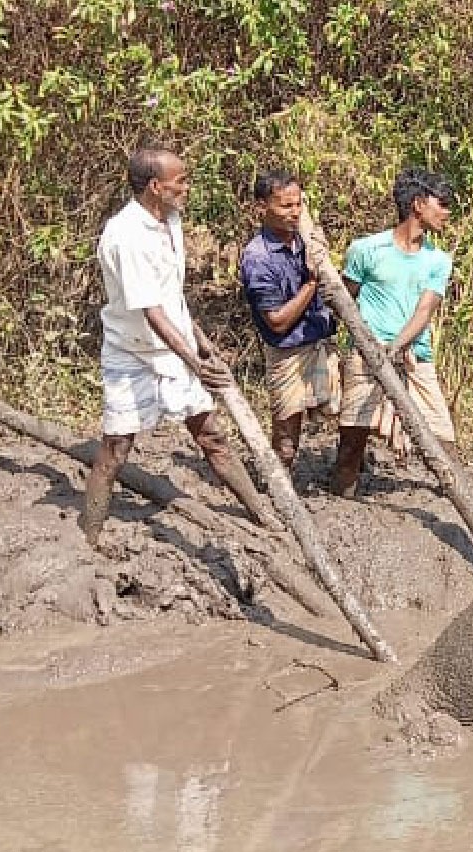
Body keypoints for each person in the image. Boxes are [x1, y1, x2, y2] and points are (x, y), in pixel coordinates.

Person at [81, 142, 270, 549]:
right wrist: (195, 362)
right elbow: (150, 310)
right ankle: (87, 536)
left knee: (212, 435)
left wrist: (200, 342)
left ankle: (264, 516)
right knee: (116, 449)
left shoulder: (170, 219)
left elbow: (172, 297)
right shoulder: (127, 236)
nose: (188, 188)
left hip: (173, 345)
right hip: (132, 351)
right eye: (180, 181)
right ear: (155, 186)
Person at [333, 167, 458, 497]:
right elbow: (344, 301)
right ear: (418, 204)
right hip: (365, 357)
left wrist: (395, 347)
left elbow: (424, 311)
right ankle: (343, 502)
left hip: (415, 357)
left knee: (444, 443)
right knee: (350, 449)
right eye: (442, 203)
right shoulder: (366, 251)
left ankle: (452, 503)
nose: (447, 212)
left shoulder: (438, 261)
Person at [240, 169, 339, 473]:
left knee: (350, 418)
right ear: (261, 208)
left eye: (298, 205)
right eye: (285, 206)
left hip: (321, 343)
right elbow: (278, 322)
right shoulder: (258, 258)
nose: (294, 213)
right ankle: (276, 492)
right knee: (286, 441)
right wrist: (311, 281)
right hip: (287, 355)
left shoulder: (306, 239)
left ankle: (347, 475)